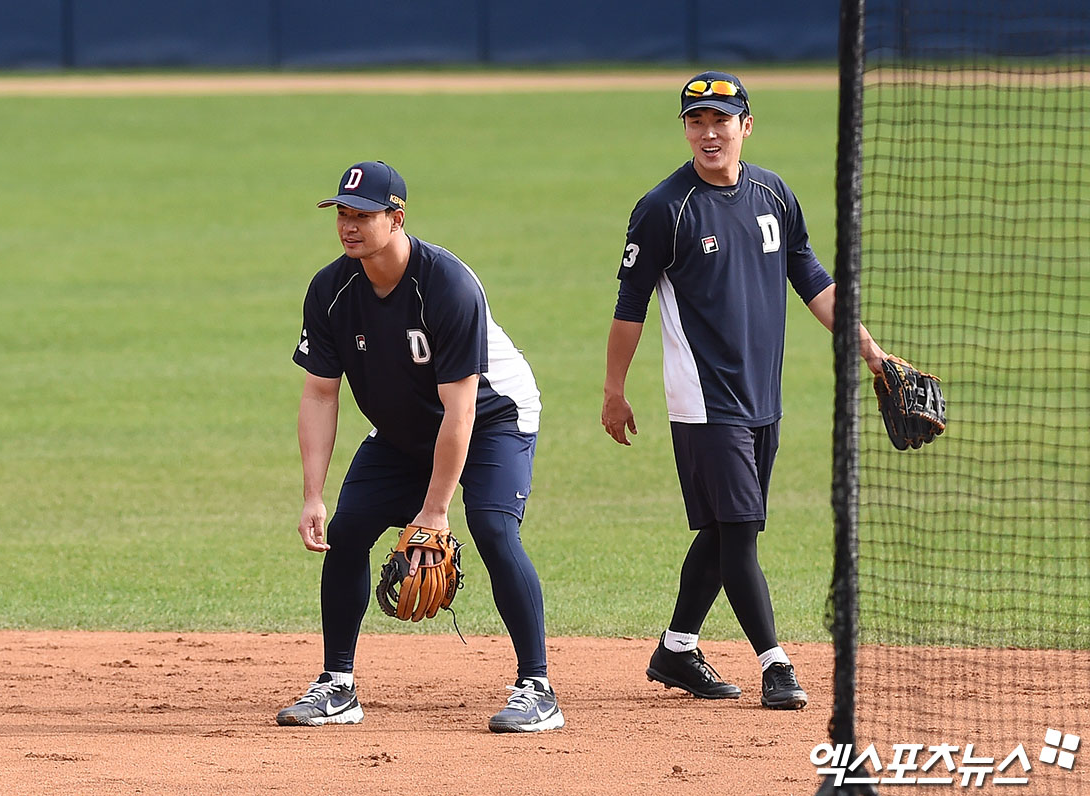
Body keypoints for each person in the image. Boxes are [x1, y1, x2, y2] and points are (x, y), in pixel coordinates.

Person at [600, 72, 892, 710]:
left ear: (746, 125)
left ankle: (676, 650)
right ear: (684, 129)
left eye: (721, 120)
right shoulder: (664, 209)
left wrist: (870, 350)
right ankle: (775, 664)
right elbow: (630, 306)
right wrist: (613, 389)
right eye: (697, 121)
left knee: (723, 528)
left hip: (764, 396)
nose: (709, 133)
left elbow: (809, 274)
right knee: (738, 532)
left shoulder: (772, 192)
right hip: (704, 401)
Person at [280, 160, 563, 733]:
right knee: (349, 528)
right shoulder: (331, 290)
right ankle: (338, 685)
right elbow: (318, 395)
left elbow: (459, 411)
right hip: (402, 429)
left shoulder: (447, 286)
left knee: (490, 526)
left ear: (397, 217)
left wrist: (434, 513)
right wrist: (313, 494)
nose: (349, 225)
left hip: (492, 418)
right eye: (342, 213)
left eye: (363, 214)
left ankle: (537, 688)